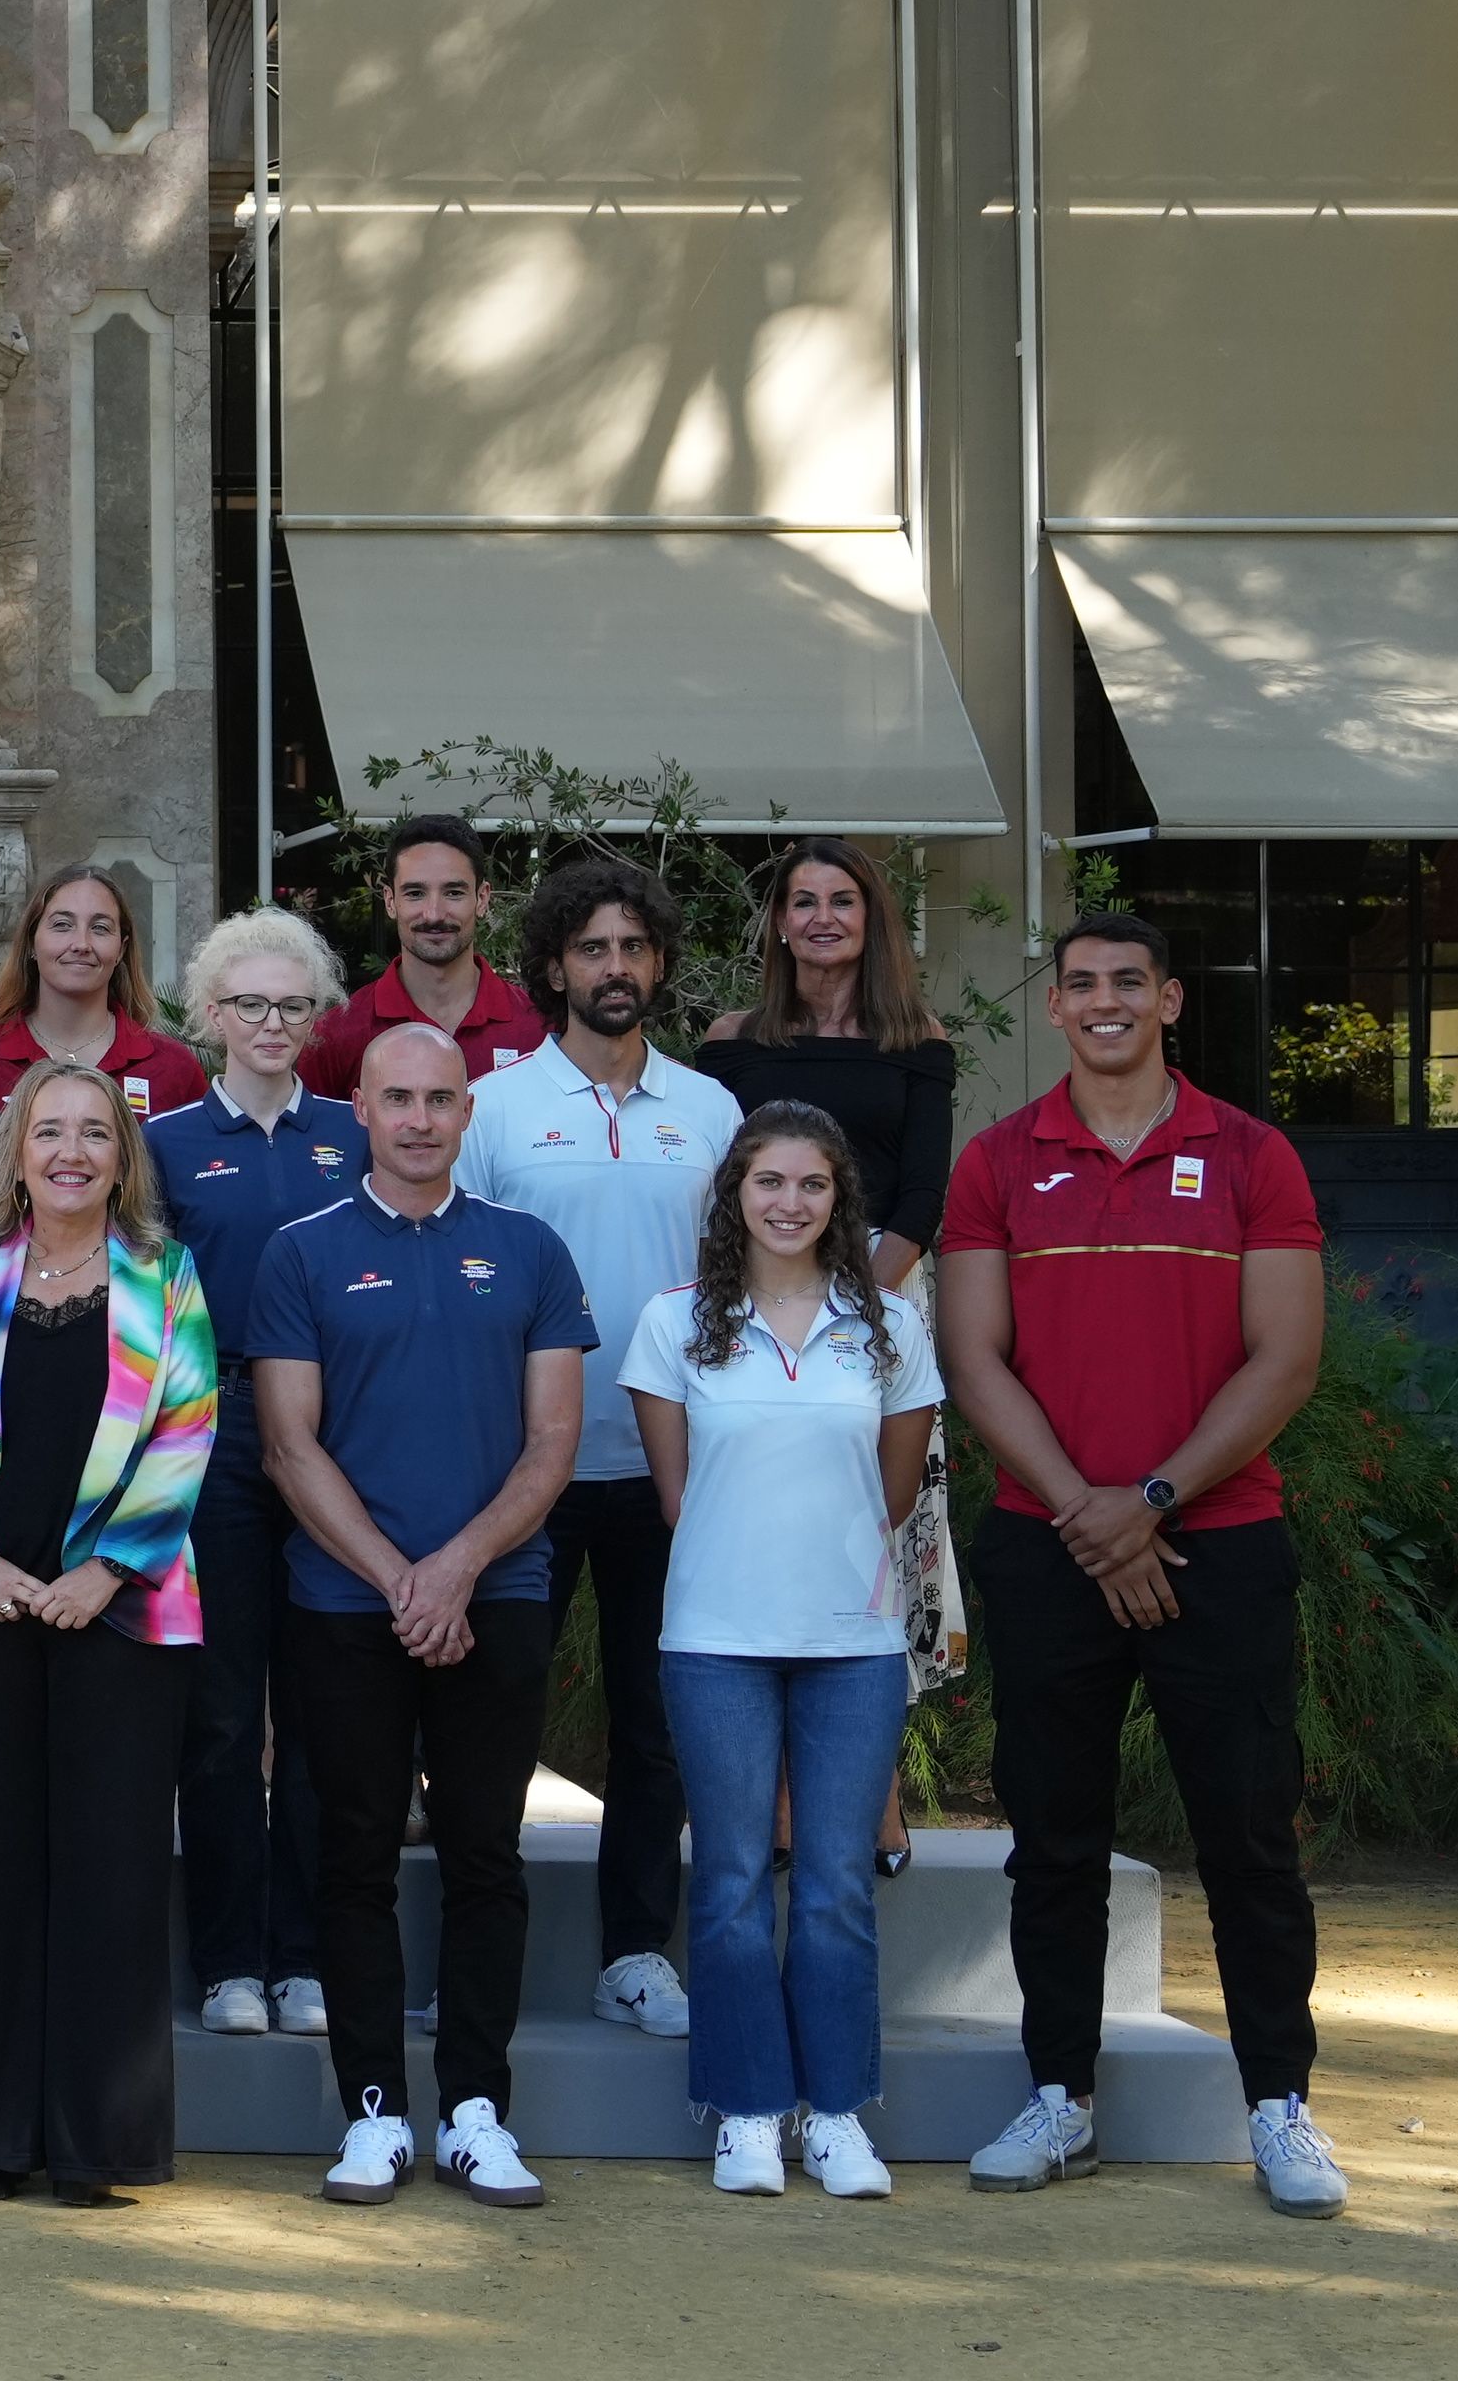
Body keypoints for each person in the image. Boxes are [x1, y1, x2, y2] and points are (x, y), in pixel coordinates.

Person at [938, 913, 1344, 2216]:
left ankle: (1279, 2103)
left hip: (1218, 1542)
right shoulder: (999, 1161)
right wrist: (1089, 1514)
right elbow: (972, 1360)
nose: (1105, 1002)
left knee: (1248, 1835)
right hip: (1051, 1544)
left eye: (1129, 982)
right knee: (1053, 1840)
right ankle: (1062, 2098)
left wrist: (1154, 1499)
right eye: (1081, 985)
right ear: (1053, 1008)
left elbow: (1284, 1359)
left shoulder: (1251, 1154)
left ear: (1170, 998)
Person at [249, 1021, 595, 2215]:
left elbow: (553, 1442)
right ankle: (373, 2115)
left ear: (467, 1113)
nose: (418, 1119)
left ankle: (478, 2112)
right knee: (350, 1859)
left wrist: (453, 1570)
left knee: (486, 1857)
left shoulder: (530, 1249)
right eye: (396, 1098)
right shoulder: (300, 1253)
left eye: (441, 1099)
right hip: (345, 1605)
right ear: (361, 1108)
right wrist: (404, 1579)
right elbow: (290, 1448)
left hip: (494, 1597)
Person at [0, 1063, 217, 2204]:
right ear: (17, 1152)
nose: (72, 1150)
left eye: (97, 1132)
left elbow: (186, 1429)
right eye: (51, 1131)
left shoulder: (166, 1276)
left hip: (121, 1615)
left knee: (111, 1871)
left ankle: (97, 2144)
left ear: (123, 1157)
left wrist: (102, 1573)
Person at [621, 1102, 937, 2202]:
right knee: (733, 1876)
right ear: (734, 1197)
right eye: (769, 1183)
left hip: (851, 1640)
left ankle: (839, 2110)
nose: (791, 1203)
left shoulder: (889, 1326)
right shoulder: (673, 1326)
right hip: (714, 1638)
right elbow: (678, 1496)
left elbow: (891, 1492)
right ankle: (749, 2109)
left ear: (839, 1198)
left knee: (840, 1880)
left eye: (812, 1184)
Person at [459, 855, 734, 2040]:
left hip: (670, 1468)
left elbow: (742, 1279)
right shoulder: (496, 1107)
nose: (613, 969)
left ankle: (634, 1953)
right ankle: (481, 1955)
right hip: (527, 1468)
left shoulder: (712, 1112)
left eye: (632, 948)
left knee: (653, 1722)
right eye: (590, 950)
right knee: (495, 1711)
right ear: (553, 966)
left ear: (658, 963)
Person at [698, 836, 969, 1871]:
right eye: (801, 901)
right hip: (754, 1312)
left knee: (882, 1540)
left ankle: (877, 1791)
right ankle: (769, 1797)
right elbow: (727, 1193)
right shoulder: (732, 1042)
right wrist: (781, 1294)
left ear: (871, 922)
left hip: (882, 1310)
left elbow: (924, 1198)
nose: (820, 918)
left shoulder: (918, 1041)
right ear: (779, 923)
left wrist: (853, 1301)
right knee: (759, 1533)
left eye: (841, 902)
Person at [146, 907, 365, 2044]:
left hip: (340, 1436)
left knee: (326, 1708)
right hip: (218, 1433)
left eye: (294, 1005)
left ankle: (306, 1956)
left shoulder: (359, 1134)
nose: (273, 1024)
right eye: (250, 1005)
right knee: (226, 1714)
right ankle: (231, 1959)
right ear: (210, 1016)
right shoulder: (168, 1143)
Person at [300, 816, 550, 1100]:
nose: (433, 913)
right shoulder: (336, 1035)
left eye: (453, 892)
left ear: (482, 899)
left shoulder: (540, 1031)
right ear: (390, 901)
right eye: (415, 893)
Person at [0, 861, 208, 1122]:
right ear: (32, 941)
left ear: (121, 949)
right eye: (62, 925)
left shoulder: (173, 1067)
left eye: (100, 928)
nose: (81, 944)